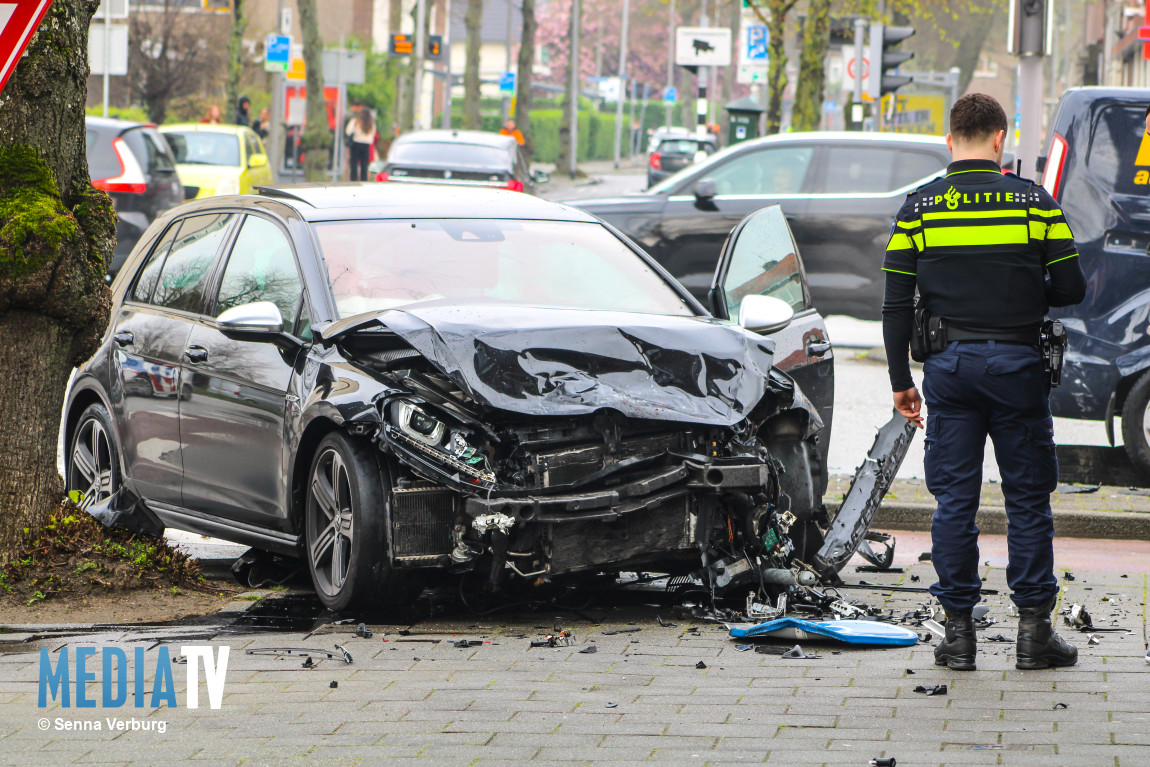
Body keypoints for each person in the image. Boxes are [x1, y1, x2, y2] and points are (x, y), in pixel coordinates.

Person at [882, 93, 1086, 672]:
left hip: (949, 370)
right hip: (1019, 367)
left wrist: (902, 381)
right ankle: (1033, 635)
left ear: (952, 142)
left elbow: (895, 304)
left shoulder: (918, 207)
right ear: (1000, 140)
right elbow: (1071, 288)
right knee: (1026, 500)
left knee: (954, 501)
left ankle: (958, 636)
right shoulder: (1033, 203)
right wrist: (1023, 288)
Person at [345, 101, 375, 182]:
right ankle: (364, 179)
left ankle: (353, 179)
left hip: (356, 143)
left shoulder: (356, 120)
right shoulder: (371, 122)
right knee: (364, 163)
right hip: (366, 145)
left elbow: (348, 131)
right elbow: (373, 134)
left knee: (354, 162)